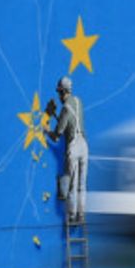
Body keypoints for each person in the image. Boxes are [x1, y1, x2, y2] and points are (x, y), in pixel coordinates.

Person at [48, 76, 88, 223]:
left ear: (63, 91)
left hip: (74, 145)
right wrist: (55, 116)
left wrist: (46, 130)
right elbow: (71, 123)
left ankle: (72, 215)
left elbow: (58, 135)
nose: (58, 96)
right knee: (82, 185)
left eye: (59, 92)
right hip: (84, 144)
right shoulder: (78, 102)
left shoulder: (65, 108)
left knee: (72, 184)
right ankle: (81, 215)